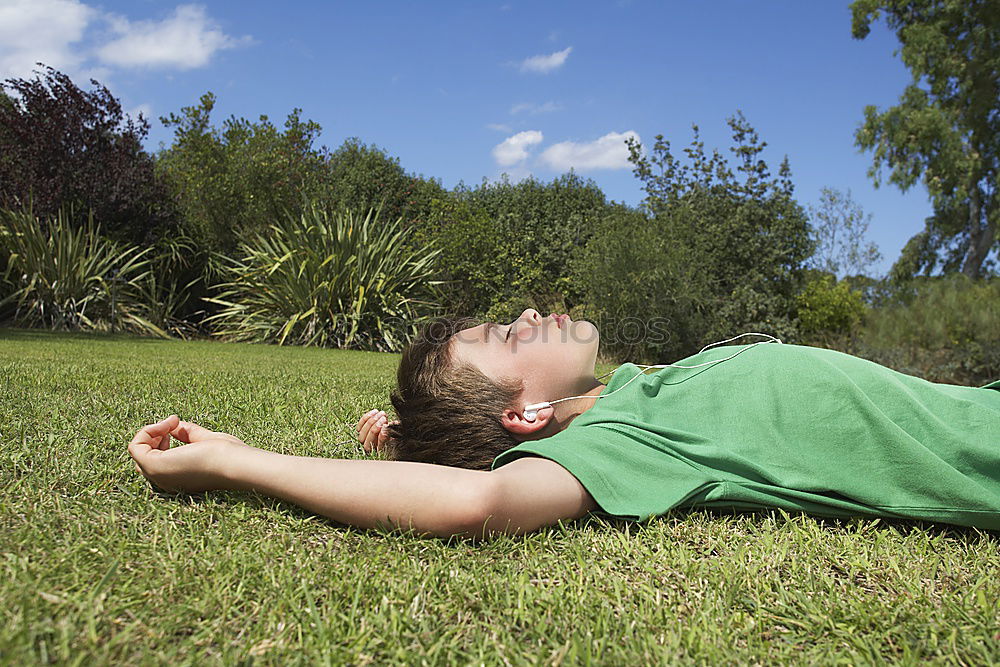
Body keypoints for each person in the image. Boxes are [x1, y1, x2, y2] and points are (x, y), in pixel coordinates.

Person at [128, 309, 1000, 538]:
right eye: (510, 337)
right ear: (525, 412)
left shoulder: (621, 402)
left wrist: (407, 433)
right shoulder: (615, 447)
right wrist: (238, 463)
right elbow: (480, 501)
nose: (532, 315)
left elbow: (465, 454)